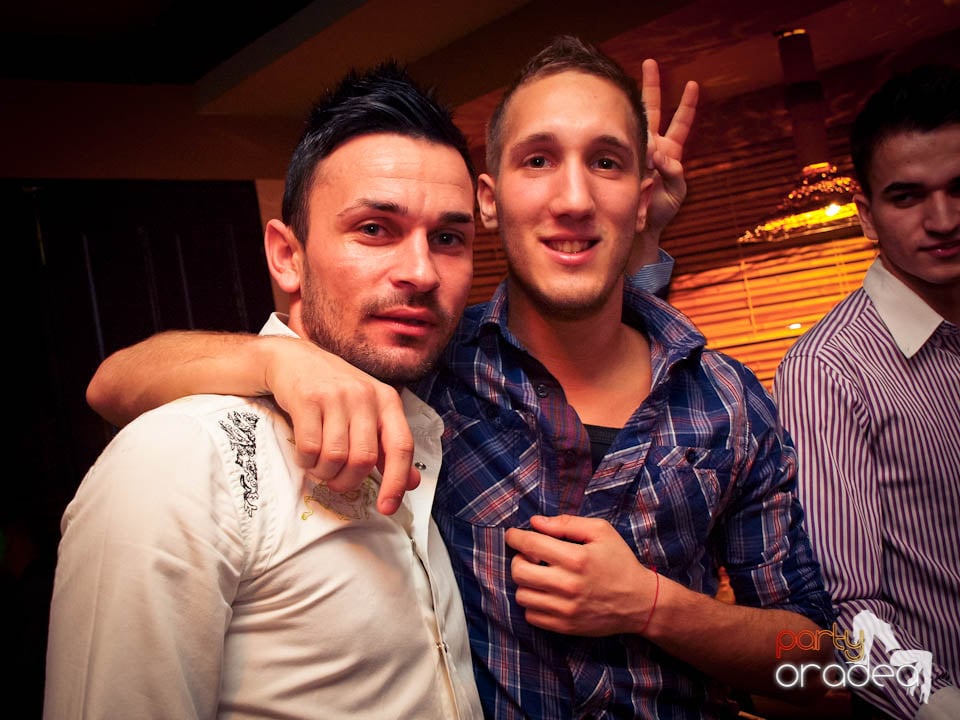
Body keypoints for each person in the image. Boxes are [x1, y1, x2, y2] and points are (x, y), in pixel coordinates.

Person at [86, 36, 835, 719]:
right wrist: (278, 357)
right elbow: (117, 382)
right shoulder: (429, 363)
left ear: (642, 197)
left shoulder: (728, 402)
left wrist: (652, 606)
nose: (574, 197)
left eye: (607, 162)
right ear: (489, 200)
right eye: (537, 160)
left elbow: (826, 669)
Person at [43, 62, 485, 719]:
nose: (421, 271)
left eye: (448, 238)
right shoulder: (182, 459)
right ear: (287, 256)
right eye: (374, 229)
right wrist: (274, 359)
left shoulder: (442, 408)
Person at [774, 64, 960, 720]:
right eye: (907, 196)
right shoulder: (827, 369)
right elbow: (846, 611)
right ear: (867, 215)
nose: (942, 219)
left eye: (959, 188)